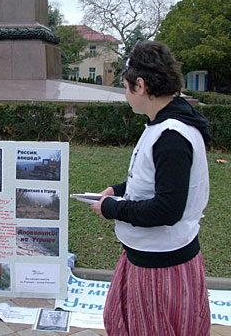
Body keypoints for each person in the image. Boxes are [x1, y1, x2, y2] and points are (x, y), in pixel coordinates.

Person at [91, 41, 211, 335]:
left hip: (160, 266)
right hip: (146, 257)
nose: (125, 95)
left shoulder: (172, 135)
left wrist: (112, 208)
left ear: (141, 85)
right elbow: (154, 181)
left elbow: (167, 209)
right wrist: (116, 189)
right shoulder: (166, 124)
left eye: (126, 87)